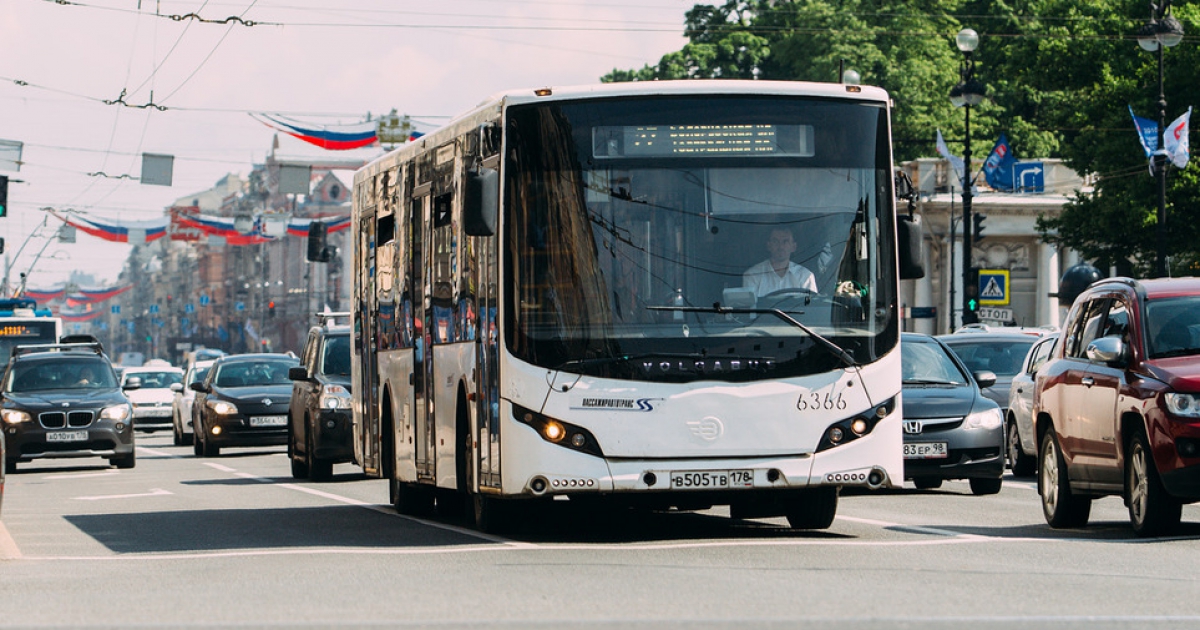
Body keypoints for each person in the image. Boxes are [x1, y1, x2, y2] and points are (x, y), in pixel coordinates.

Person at [743, 228, 820, 297]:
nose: (781, 246)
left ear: (793, 247)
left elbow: (810, 306)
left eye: (785, 242)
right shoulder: (752, 276)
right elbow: (750, 309)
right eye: (775, 241)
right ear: (768, 245)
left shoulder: (805, 276)